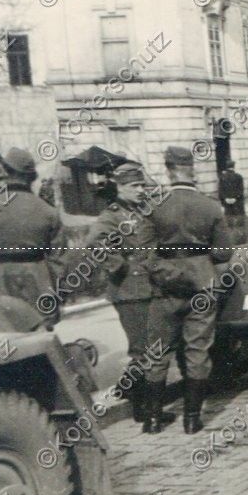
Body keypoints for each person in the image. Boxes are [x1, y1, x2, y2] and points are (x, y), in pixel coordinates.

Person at [144, 147, 234, 435]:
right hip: (202, 282)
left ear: (169, 169)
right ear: (191, 169)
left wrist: (165, 270)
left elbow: (142, 250)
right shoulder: (210, 206)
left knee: (158, 352)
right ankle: (192, 419)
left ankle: (154, 419)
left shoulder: (154, 204)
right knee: (198, 350)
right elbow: (224, 253)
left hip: (165, 284)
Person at [82, 162, 172, 424]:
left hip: (150, 286)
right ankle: (141, 407)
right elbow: (94, 244)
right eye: (134, 186)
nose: (140, 189)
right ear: (120, 187)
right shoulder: (111, 216)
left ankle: (134, 393)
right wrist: (118, 265)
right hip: (129, 290)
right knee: (141, 350)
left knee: (150, 347)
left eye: (142, 184)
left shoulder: (142, 210)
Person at [0, 148, 65, 326]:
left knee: (7, 330)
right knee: (42, 329)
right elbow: (59, 260)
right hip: (38, 275)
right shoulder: (48, 211)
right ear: (31, 176)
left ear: (5, 171)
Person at [218, 159, 246, 241]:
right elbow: (241, 190)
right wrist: (235, 198)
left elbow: (220, 191)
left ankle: (230, 239)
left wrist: (226, 199)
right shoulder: (239, 177)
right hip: (237, 203)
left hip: (227, 203)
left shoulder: (222, 177)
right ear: (234, 167)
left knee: (229, 221)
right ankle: (240, 239)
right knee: (239, 222)